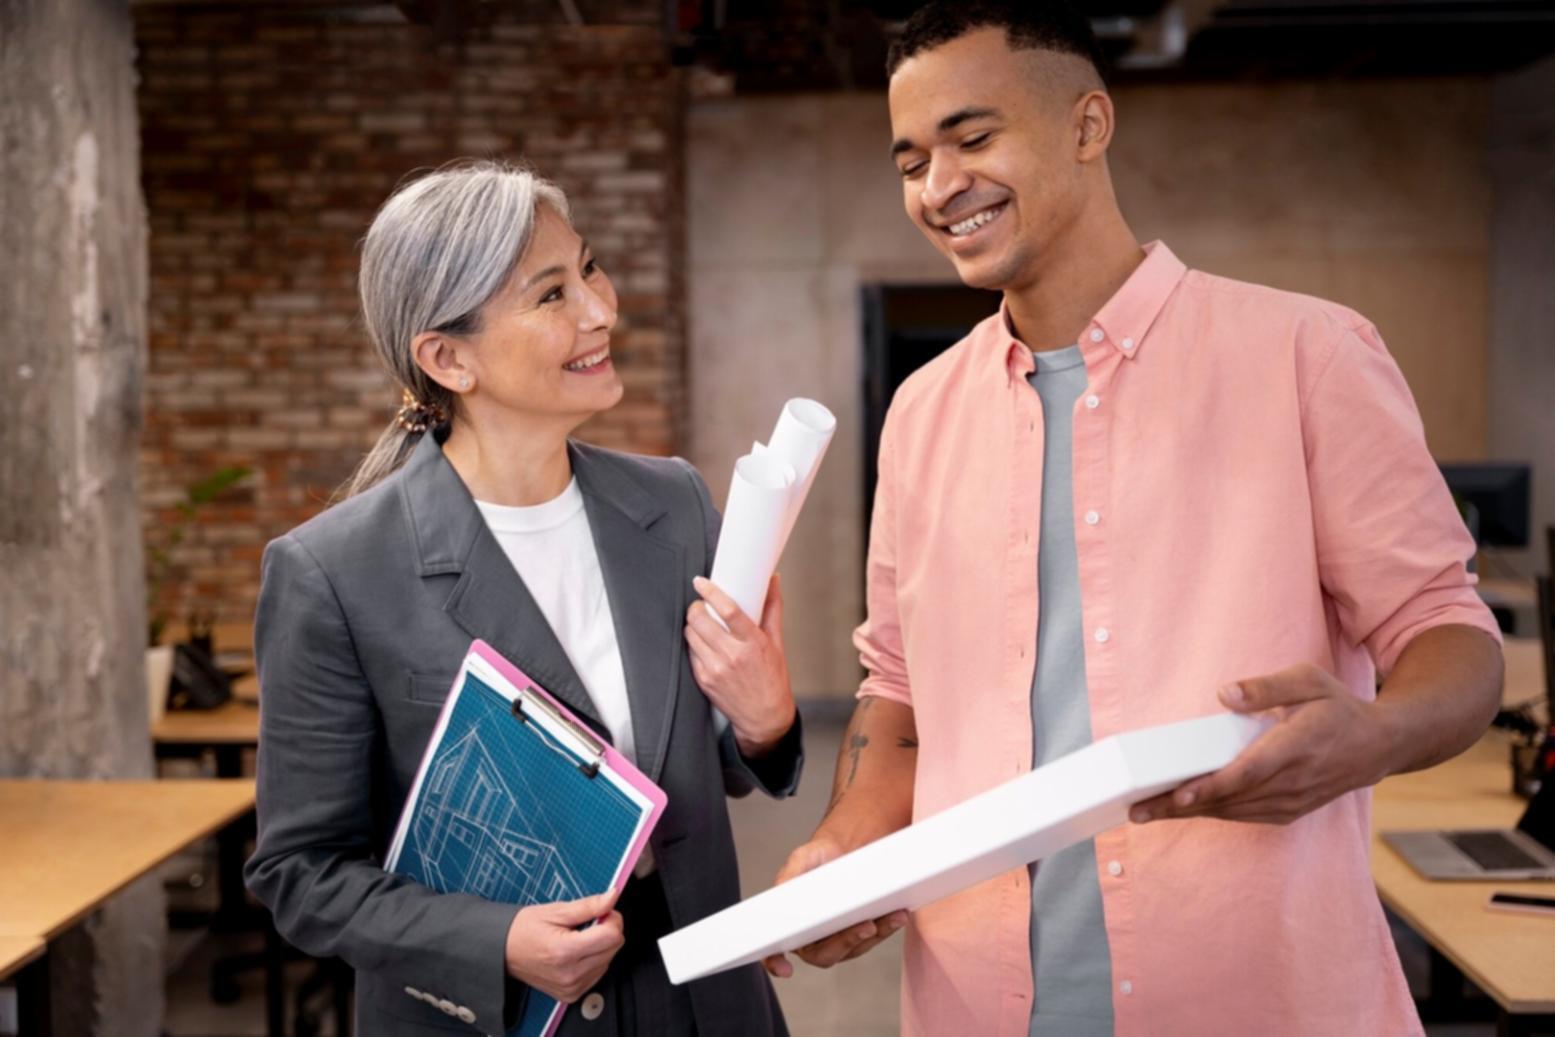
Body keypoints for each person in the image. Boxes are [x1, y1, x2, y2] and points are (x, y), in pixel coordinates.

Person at [764, 4, 1505, 1034]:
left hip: (1256, 1001)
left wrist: (1372, 735)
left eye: (973, 138)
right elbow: (897, 697)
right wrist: (847, 849)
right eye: (909, 161)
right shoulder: (921, 413)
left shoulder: (1306, 354)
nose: (938, 187)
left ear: (1087, 125)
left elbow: (1453, 637)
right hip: (976, 1003)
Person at [245, 160, 802, 1036]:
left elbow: (710, 766)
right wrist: (495, 937)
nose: (599, 308)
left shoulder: (675, 505)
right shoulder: (334, 573)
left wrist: (766, 721)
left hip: (699, 997)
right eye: (551, 295)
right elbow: (300, 872)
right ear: (447, 357)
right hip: (493, 1012)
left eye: (589, 268)